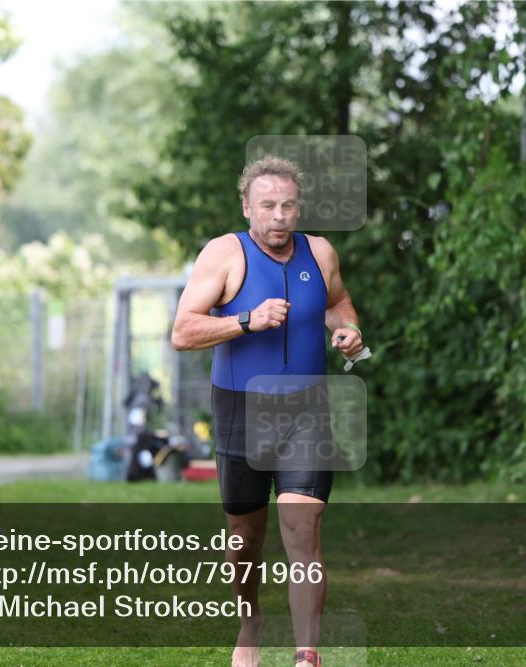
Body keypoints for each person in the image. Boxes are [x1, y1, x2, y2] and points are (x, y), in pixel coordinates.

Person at [172, 155, 364, 667]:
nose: (279, 215)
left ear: (298, 207)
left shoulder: (319, 253)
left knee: (303, 528)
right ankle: (251, 618)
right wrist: (245, 320)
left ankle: (306, 655)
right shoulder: (224, 254)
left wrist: (345, 329)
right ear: (247, 207)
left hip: (307, 410)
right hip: (241, 411)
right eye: (267, 205)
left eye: (287, 205)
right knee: (244, 541)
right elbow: (183, 330)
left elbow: (338, 301)